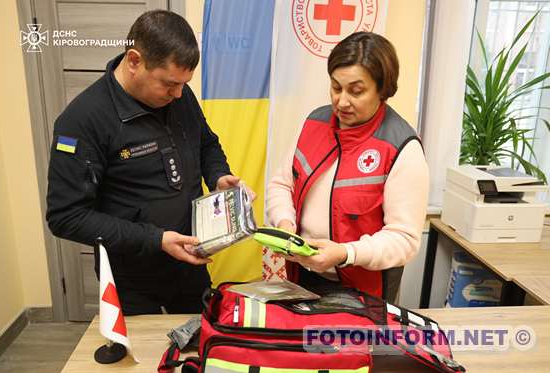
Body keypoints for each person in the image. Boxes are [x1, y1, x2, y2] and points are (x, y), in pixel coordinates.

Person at [46, 10, 250, 315]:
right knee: (143, 358)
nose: (179, 93)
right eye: (168, 84)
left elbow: (206, 143)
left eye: (183, 84)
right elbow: (65, 216)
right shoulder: (82, 121)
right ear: (134, 61)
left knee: (198, 348)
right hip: (130, 277)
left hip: (189, 262)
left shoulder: (179, 96)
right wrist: (155, 239)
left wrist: (219, 175)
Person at [266, 32, 429, 302]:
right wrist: (285, 222)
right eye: (335, 87)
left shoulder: (402, 147)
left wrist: (346, 253)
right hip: (303, 278)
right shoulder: (313, 123)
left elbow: (404, 240)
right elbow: (282, 184)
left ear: (382, 89)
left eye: (356, 91)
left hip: (364, 292)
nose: (341, 101)